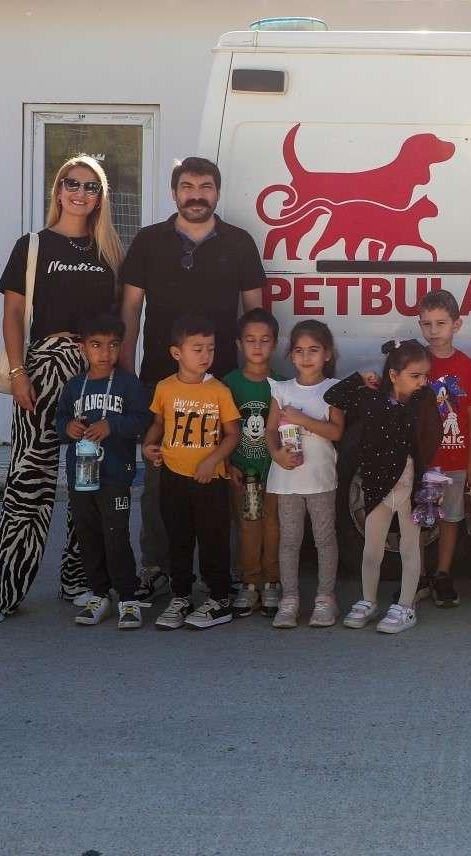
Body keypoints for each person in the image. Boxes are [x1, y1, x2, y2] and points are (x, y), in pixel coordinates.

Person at [0, 155, 121, 625]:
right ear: (58, 189)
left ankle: (80, 580)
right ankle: (2, 591)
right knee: (29, 479)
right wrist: (19, 372)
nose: (81, 193)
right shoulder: (33, 246)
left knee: (89, 479)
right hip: (43, 367)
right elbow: (14, 314)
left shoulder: (110, 250)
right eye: (72, 183)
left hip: (95, 371)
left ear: (101, 197)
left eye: (91, 187)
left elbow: (121, 320)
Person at [119, 156, 266, 605]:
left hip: (223, 382)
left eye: (205, 186)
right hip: (159, 381)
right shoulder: (148, 241)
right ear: (174, 192)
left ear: (217, 192)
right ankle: (157, 569)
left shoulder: (239, 242)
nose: (196, 195)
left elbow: (256, 314)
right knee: (159, 480)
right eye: (188, 186)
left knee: (225, 476)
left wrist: (255, 373)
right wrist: (127, 371)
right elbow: (130, 310)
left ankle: (229, 573)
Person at [326, 340, 443, 635]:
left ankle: (406, 606)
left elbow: (433, 436)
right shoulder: (371, 399)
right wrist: (359, 378)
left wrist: (422, 476)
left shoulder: (423, 402)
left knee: (409, 547)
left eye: (425, 376)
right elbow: (333, 395)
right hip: (378, 488)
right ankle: (368, 601)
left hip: (409, 488)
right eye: (415, 376)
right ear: (393, 375)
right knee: (372, 549)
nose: (422, 382)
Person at [141, 315, 242, 631]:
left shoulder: (219, 391)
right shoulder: (164, 387)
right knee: (178, 539)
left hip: (210, 481)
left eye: (210, 348)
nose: (205, 355)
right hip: (173, 476)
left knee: (214, 539)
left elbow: (233, 434)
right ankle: (181, 596)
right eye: (197, 349)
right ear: (176, 353)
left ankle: (219, 599)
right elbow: (158, 423)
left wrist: (212, 461)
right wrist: (148, 446)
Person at [54, 313, 151, 630]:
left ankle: (128, 597)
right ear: (82, 348)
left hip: (115, 477)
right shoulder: (74, 386)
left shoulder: (129, 384)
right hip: (81, 477)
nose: (105, 353)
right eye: (96, 345)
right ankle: (99, 593)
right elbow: (60, 421)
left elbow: (142, 420)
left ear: (121, 347)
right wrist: (68, 427)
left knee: (116, 535)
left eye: (113, 345)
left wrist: (112, 425)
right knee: (88, 535)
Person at [266, 320, 345, 629]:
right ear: (290, 355)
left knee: (325, 538)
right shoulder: (282, 389)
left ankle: (325, 598)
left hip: (320, 479)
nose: (306, 356)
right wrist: (276, 454)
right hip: (288, 480)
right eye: (299, 350)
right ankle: (290, 599)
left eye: (313, 350)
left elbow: (336, 432)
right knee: (289, 540)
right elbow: (270, 431)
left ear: (327, 354)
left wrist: (302, 419)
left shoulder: (333, 390)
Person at [418, 289, 471, 607]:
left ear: (457, 324)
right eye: (426, 324)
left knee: (450, 519)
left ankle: (442, 574)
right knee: (420, 519)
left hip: (456, 458)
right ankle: (416, 576)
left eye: (440, 323)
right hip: (424, 460)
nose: (433, 331)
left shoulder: (465, 365)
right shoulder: (417, 362)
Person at [224, 308, 281, 618]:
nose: (257, 346)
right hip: (243, 472)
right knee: (248, 527)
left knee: (274, 527)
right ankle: (249, 583)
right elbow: (219, 430)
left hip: (275, 474)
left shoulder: (281, 384)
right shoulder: (229, 384)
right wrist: (227, 464)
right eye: (250, 340)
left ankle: (272, 582)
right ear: (239, 344)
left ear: (275, 343)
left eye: (265, 340)